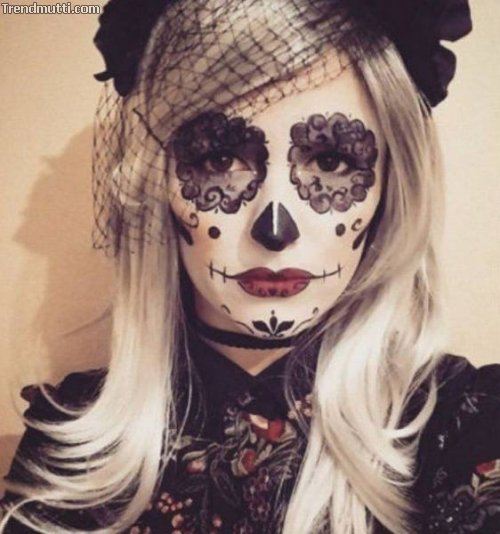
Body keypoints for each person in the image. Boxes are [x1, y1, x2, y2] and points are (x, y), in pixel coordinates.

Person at [1, 0, 499, 532]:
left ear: (391, 189)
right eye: (219, 159)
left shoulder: (458, 424)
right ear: (158, 185)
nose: (275, 228)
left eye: (330, 161)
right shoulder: (75, 441)